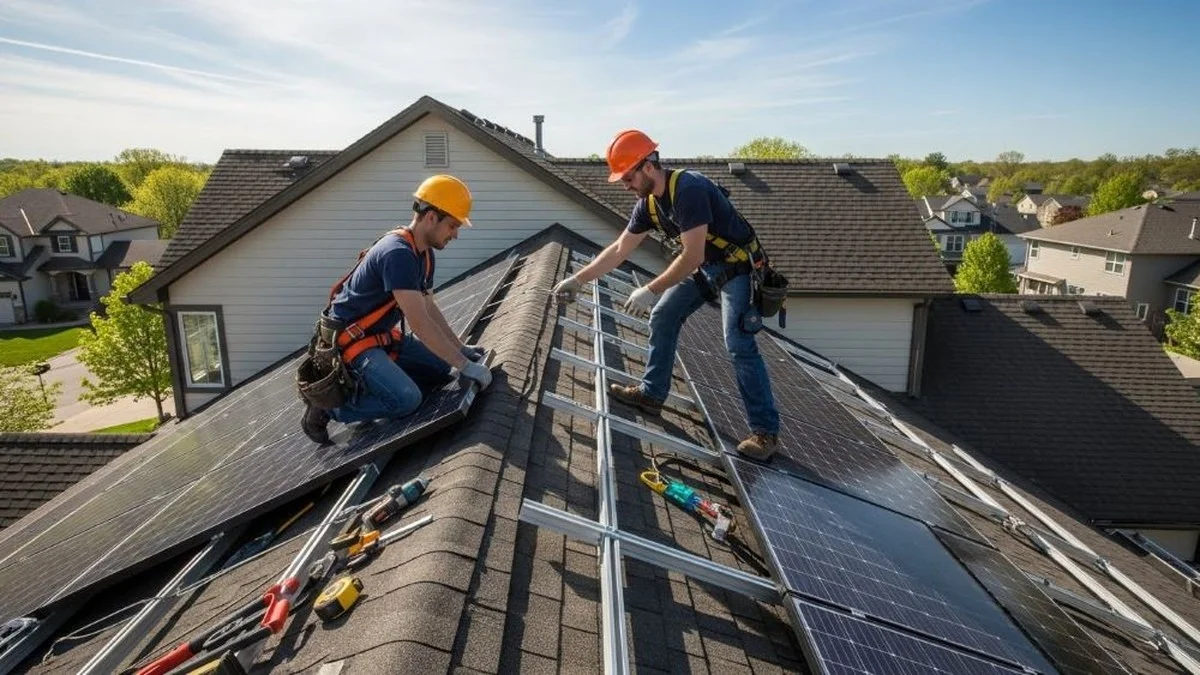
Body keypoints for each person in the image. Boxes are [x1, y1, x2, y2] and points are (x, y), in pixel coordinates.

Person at [552, 130, 781, 460]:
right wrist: (577, 279)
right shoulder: (648, 205)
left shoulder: (689, 189)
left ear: (647, 166)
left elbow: (692, 257)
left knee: (738, 342)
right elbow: (619, 249)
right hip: (707, 267)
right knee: (663, 315)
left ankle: (765, 433)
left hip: (738, 267)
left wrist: (650, 288)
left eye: (627, 176)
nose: (625, 184)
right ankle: (652, 393)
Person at [300, 174, 493, 444]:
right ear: (431, 217)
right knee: (407, 400)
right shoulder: (398, 253)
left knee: (439, 370)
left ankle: (377, 385)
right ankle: (330, 407)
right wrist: (463, 365)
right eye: (452, 225)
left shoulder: (423, 254)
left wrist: (460, 349)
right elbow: (420, 323)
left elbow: (429, 310)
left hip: (377, 338)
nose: (456, 234)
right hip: (351, 346)